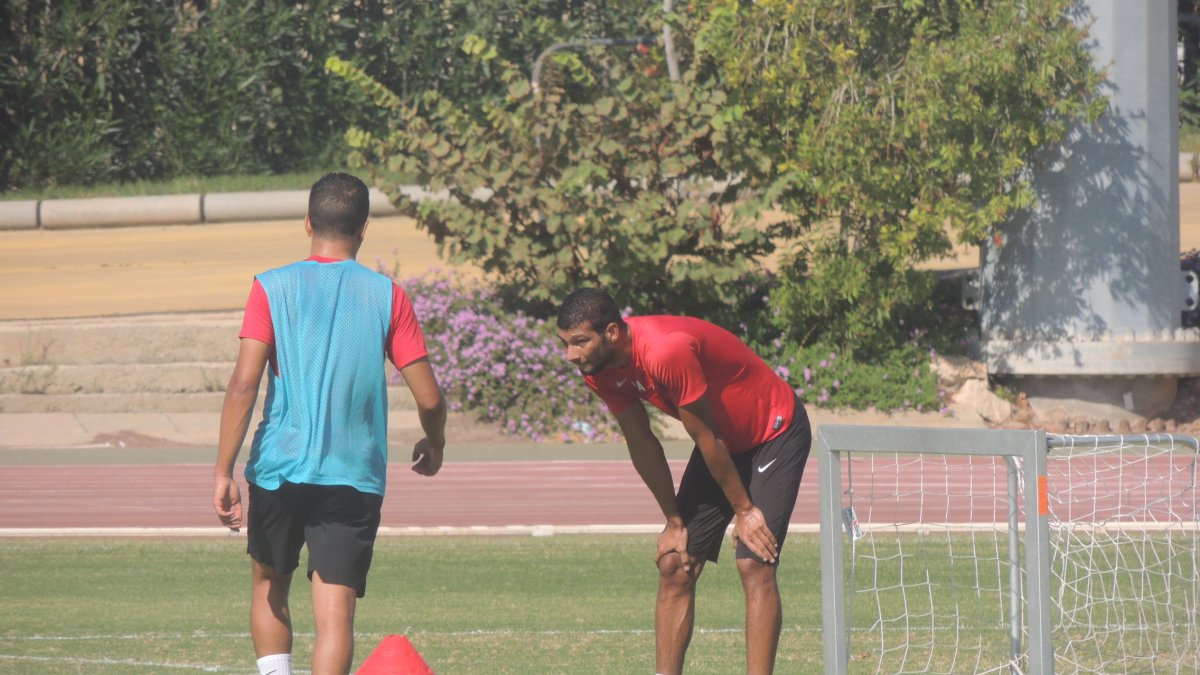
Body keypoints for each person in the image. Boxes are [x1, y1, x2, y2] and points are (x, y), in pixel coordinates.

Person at [212, 172, 447, 675]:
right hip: (352, 475)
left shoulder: (270, 287)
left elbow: (243, 386)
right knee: (335, 612)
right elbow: (428, 395)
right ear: (363, 230)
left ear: (307, 223)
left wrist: (223, 470)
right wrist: (436, 441)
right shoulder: (388, 295)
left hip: (279, 465)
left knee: (270, 585)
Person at [556, 288, 811, 675]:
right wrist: (674, 522)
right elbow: (641, 442)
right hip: (722, 444)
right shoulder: (599, 369)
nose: (571, 355)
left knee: (755, 562)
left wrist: (745, 511)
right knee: (675, 562)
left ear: (611, 332)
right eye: (565, 344)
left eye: (579, 342)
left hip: (773, 431)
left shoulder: (664, 352)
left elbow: (705, 436)